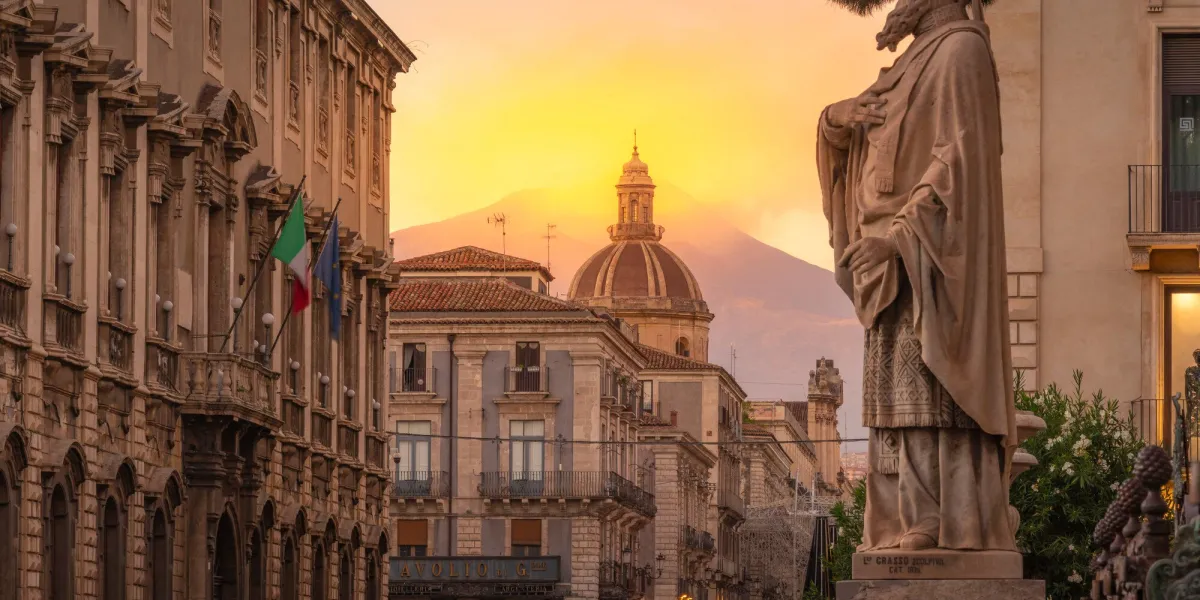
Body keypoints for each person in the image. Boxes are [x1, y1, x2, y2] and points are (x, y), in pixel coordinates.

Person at [816, 0, 1017, 551]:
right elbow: (865, 134)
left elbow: (956, 161)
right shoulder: (912, 59)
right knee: (894, 400)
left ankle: (940, 521)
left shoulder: (960, 50)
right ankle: (905, 518)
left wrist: (898, 237)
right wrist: (838, 118)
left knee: (930, 389)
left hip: (926, 259)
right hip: (888, 267)